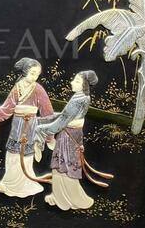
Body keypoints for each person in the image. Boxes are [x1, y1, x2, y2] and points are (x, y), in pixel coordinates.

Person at [0, 58, 54, 198]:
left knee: (26, 153)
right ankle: (8, 182)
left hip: (31, 124)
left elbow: (47, 111)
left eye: (37, 74)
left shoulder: (38, 88)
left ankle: (24, 183)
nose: (35, 77)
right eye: (32, 73)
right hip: (17, 124)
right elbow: (7, 108)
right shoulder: (18, 87)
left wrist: (48, 133)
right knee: (13, 152)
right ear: (25, 72)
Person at [35, 70, 101, 211]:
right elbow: (64, 116)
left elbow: (61, 122)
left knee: (63, 166)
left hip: (67, 136)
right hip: (74, 134)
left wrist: (41, 129)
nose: (72, 82)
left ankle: (64, 198)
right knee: (67, 164)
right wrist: (44, 120)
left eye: (77, 81)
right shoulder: (84, 97)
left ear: (84, 85)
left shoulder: (78, 100)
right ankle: (60, 196)